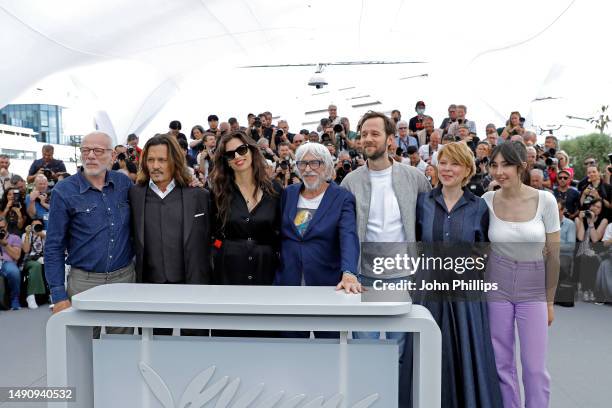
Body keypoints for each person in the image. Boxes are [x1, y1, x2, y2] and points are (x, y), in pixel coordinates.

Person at [404, 142, 502, 408]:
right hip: (427, 289)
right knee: (426, 351)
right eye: (444, 162)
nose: (447, 169)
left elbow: (484, 251)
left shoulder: (479, 207)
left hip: (465, 292)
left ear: (467, 169)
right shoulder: (422, 202)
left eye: (455, 163)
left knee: (465, 354)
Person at [340, 110, 430, 359]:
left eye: (375, 133)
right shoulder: (350, 182)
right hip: (363, 279)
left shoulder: (415, 178)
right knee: (364, 352)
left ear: (390, 139)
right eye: (364, 134)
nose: (367, 139)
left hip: (402, 276)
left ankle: (399, 400)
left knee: (400, 352)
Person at [483, 141, 560, 408]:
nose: (499, 171)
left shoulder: (545, 201)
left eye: (506, 165)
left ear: (522, 166)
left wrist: (549, 302)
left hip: (533, 286)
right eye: (494, 165)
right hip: (497, 284)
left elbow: (554, 255)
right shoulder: (487, 201)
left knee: (534, 367)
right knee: (501, 363)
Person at [44, 132, 135, 336]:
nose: (91, 155)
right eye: (85, 150)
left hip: (123, 279)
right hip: (83, 283)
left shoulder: (124, 184)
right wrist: (58, 295)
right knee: (81, 352)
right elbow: (53, 246)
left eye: (98, 150)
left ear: (112, 156)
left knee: (122, 348)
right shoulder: (64, 191)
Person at [277, 142, 360, 297]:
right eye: (302, 163)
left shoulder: (342, 197)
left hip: (325, 280)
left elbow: (348, 236)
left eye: (315, 163)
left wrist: (349, 271)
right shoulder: (288, 193)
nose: (308, 169)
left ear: (327, 166)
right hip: (288, 278)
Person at [130, 134, 211, 286]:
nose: (155, 166)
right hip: (147, 285)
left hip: (190, 284)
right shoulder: (134, 195)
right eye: (150, 160)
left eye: (162, 160)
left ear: (174, 161)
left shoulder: (198, 194)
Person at [210, 131, 281, 287]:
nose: (237, 156)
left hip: (266, 268)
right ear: (226, 161)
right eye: (230, 154)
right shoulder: (217, 192)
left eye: (241, 150)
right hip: (229, 269)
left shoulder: (274, 189)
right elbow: (211, 232)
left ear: (251, 150)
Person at [575, 198, 608, 302]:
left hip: (596, 249)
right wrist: (580, 221)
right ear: (589, 206)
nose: (595, 208)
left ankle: (589, 289)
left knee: (591, 257)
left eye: (598, 207)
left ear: (600, 211)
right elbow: (580, 238)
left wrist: (591, 223)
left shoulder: (604, 221)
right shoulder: (579, 218)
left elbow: (595, 239)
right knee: (585, 256)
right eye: (594, 205)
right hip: (582, 248)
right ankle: (586, 290)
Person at [21, 217, 48, 309]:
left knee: (51, 264)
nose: (36, 227)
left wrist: (41, 234)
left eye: (38, 225)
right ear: (30, 226)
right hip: (29, 260)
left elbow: (53, 245)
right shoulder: (26, 234)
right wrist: (29, 234)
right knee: (36, 266)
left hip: (44, 258)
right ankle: (31, 296)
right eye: (34, 225)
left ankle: (52, 293)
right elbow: (26, 250)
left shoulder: (45, 233)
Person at [0, 215, 22, 310]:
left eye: (2, 228)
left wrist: (5, 244)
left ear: (7, 225)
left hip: (7, 263)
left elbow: (16, 256)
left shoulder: (15, 238)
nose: (1, 230)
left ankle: (15, 299)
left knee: (14, 271)